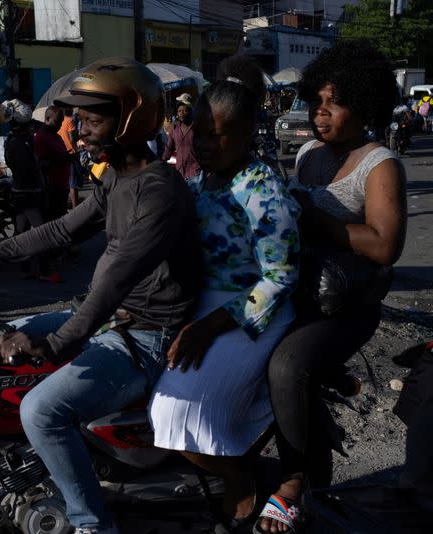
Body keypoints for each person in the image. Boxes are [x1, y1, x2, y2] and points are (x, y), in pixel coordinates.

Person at [0, 57, 202, 534]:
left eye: (92, 119)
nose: (79, 129)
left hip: (145, 338)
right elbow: (59, 232)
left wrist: (57, 343)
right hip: (114, 322)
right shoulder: (116, 180)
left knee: (40, 410)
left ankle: (91, 523)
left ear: (130, 116)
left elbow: (115, 279)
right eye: (79, 119)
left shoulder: (159, 191)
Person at [258, 42, 407, 534]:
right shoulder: (306, 154)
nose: (319, 113)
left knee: (286, 366)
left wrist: (313, 218)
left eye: (332, 103)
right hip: (299, 291)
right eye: (314, 101)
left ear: (363, 105)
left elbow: (385, 245)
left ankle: (294, 481)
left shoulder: (379, 163)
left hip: (347, 307)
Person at [148, 55, 301, 531]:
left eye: (219, 133)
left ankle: (245, 474)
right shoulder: (195, 183)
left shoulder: (264, 191)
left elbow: (279, 277)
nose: (205, 143)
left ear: (248, 131)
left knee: (174, 413)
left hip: (251, 312)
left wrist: (208, 327)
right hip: (198, 307)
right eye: (199, 131)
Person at [2, 98, 51, 280]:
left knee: (21, 232)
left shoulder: (16, 141)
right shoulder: (18, 144)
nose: (32, 129)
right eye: (29, 127)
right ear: (21, 127)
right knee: (42, 232)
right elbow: (27, 169)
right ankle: (44, 271)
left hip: (20, 192)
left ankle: (25, 269)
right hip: (27, 193)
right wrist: (41, 164)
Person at [34, 105, 72, 221]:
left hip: (62, 186)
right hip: (51, 189)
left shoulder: (56, 136)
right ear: (47, 119)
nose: (60, 125)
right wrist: (61, 159)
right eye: (57, 122)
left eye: (61, 122)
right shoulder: (41, 137)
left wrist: (69, 157)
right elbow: (40, 164)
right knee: (53, 222)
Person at [162, 94, 201, 180]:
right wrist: (162, 161)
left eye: (185, 110)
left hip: (195, 172)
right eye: (179, 111)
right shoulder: (175, 129)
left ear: (191, 111)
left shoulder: (197, 128)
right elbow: (169, 148)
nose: (181, 113)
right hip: (180, 173)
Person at [58, 106, 83, 210]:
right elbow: (73, 139)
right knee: (73, 184)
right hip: (71, 152)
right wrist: (79, 136)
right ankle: (75, 207)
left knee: (66, 181)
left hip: (61, 152)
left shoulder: (60, 121)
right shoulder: (70, 121)